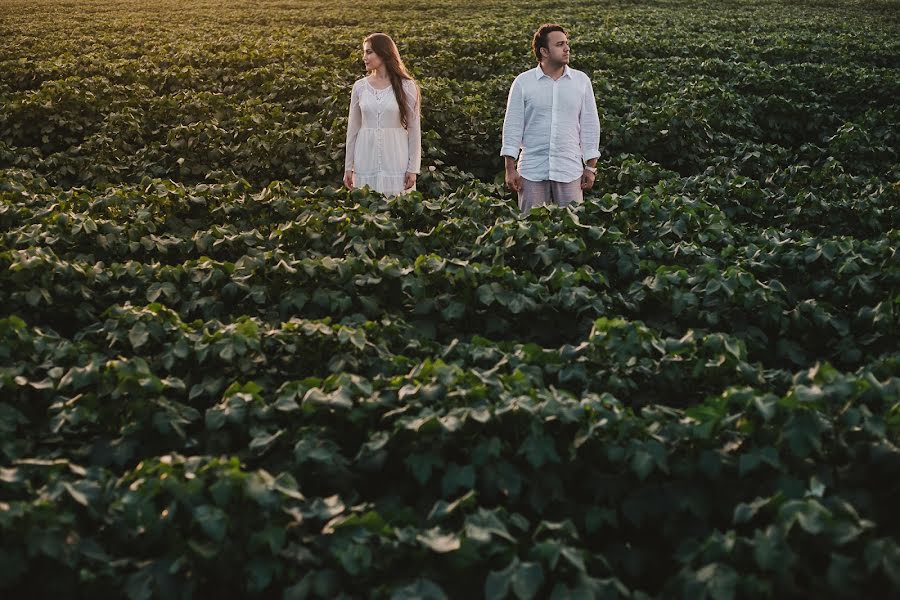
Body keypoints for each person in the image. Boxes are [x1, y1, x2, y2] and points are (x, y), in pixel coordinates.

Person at [501, 23, 601, 212]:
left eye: (567, 43)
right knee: (530, 230)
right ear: (544, 51)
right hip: (531, 170)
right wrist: (510, 168)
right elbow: (512, 126)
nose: (567, 48)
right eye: (560, 44)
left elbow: (589, 125)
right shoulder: (523, 82)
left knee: (573, 228)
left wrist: (590, 167)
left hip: (569, 168)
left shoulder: (581, 81)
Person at [344, 33, 421, 196]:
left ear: (384, 53)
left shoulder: (407, 86)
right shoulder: (359, 87)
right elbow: (353, 129)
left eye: (369, 52)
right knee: (367, 209)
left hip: (396, 156)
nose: (364, 57)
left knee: (397, 209)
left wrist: (413, 168)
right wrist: (348, 167)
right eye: (364, 52)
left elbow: (414, 129)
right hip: (365, 156)